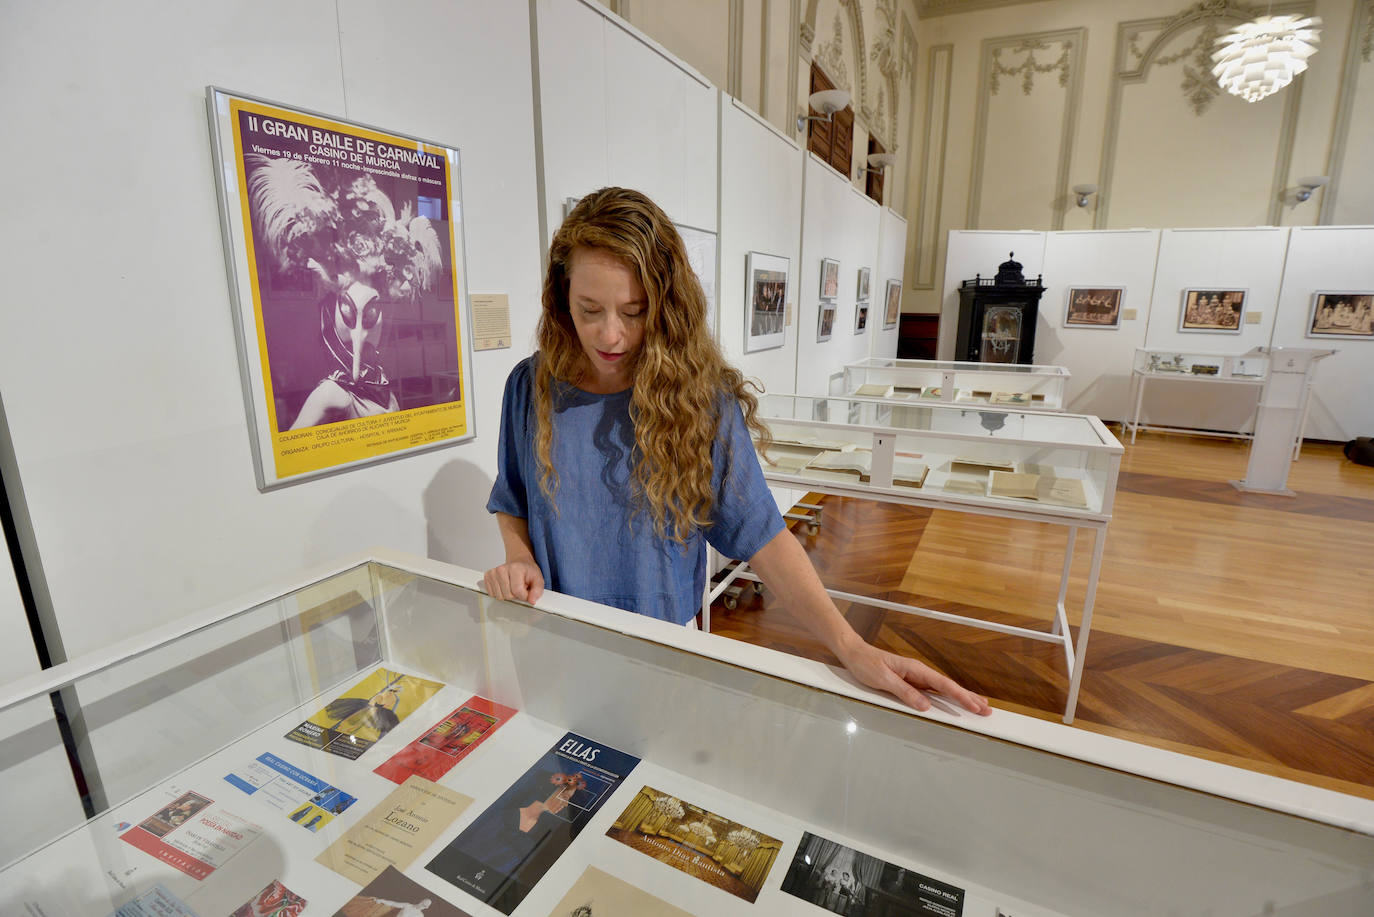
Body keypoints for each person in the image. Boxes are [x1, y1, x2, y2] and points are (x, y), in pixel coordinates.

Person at [482, 187, 989, 716]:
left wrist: (850, 646)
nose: (611, 334)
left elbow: (761, 534)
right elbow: (513, 497)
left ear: (663, 305)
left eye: (634, 312)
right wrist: (518, 558)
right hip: (555, 639)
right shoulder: (530, 388)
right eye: (590, 310)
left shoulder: (694, 401)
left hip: (661, 653)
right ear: (561, 297)